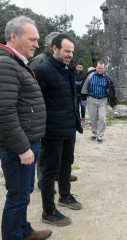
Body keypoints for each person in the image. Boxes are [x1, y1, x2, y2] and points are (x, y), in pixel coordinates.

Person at [0, 16, 52, 240]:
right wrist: (22, 148)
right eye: (32, 39)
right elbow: (4, 112)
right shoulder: (6, 64)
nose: (37, 44)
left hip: (26, 141)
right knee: (18, 195)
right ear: (14, 37)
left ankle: (24, 230)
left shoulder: (16, 62)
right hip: (17, 145)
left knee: (23, 192)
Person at [33, 33, 83, 226]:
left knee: (66, 164)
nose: (70, 55)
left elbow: (70, 99)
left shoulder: (67, 70)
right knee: (49, 170)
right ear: (54, 49)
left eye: (72, 51)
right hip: (52, 131)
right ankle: (48, 211)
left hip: (69, 127)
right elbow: (35, 103)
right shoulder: (42, 71)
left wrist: (76, 121)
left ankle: (65, 196)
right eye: (67, 51)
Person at [81, 61, 117, 144]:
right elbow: (84, 87)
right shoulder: (90, 76)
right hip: (92, 99)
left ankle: (100, 135)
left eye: (102, 68)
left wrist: (113, 103)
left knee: (102, 118)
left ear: (104, 68)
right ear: (96, 68)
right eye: (99, 68)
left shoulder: (107, 78)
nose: (100, 70)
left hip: (103, 100)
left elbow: (112, 91)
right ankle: (94, 133)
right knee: (93, 118)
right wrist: (84, 98)